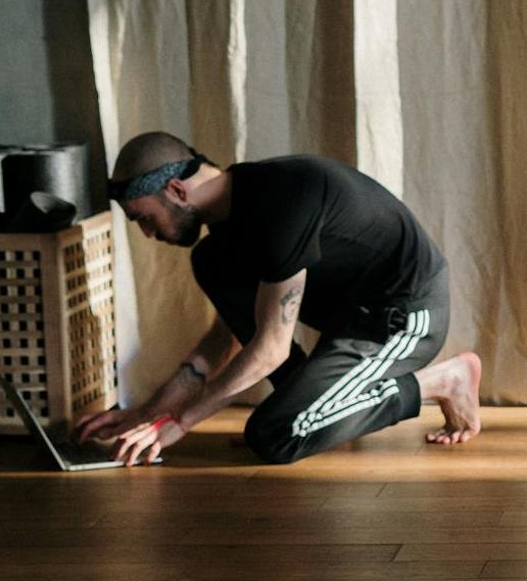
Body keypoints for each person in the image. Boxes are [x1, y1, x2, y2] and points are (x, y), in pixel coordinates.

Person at [74, 132, 481, 465]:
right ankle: (299, 410)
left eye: (145, 218)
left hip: (404, 317)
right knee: (211, 264)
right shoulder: (224, 236)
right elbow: (228, 336)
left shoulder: (284, 199)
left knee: (276, 435)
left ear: (177, 190)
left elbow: (271, 348)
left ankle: (444, 380)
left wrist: (181, 421)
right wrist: (146, 413)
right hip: (352, 323)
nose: (148, 233)